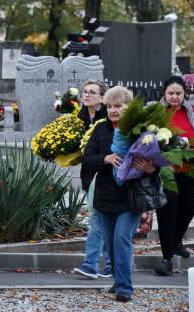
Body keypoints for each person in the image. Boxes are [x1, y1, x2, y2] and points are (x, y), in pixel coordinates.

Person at [82, 86, 155, 302]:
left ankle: (124, 288)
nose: (113, 110)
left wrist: (150, 168)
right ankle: (117, 280)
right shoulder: (100, 129)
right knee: (111, 242)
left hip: (131, 197)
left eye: (118, 106)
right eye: (110, 106)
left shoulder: (140, 130)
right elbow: (87, 159)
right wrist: (106, 158)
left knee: (122, 238)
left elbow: (157, 161)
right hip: (106, 196)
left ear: (128, 107)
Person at [151, 75, 194, 276]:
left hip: (191, 170)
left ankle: (176, 240)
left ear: (184, 93)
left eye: (178, 93)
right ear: (164, 93)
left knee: (190, 207)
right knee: (167, 213)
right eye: (170, 93)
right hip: (166, 172)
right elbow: (145, 139)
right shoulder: (154, 111)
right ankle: (167, 258)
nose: (174, 97)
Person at [73, 80, 112, 280]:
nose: (86, 95)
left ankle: (91, 264)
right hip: (90, 175)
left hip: (106, 176)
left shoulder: (108, 118)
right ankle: (109, 265)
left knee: (98, 221)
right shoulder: (78, 118)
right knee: (101, 222)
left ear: (102, 97)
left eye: (92, 92)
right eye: (85, 92)